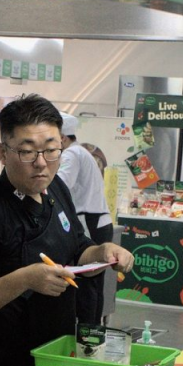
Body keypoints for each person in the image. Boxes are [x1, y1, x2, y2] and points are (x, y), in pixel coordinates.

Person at [0, 94, 134, 366]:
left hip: (54, 358)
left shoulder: (56, 188)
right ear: (2, 152)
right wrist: (25, 279)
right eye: (27, 152)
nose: (41, 163)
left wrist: (101, 251)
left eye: (51, 150)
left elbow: (76, 246)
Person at [57, 112, 113, 324]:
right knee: (94, 282)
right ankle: (94, 331)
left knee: (86, 281)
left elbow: (60, 185)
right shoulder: (82, 152)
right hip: (98, 221)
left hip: (89, 222)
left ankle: (87, 333)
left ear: (62, 138)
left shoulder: (71, 155)